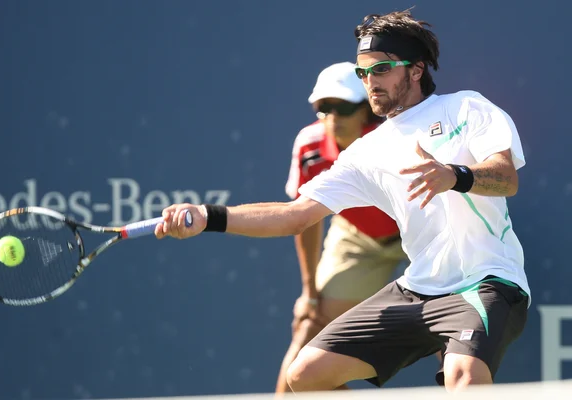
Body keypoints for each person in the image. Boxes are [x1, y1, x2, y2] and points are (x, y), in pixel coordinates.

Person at [154, 9, 530, 393]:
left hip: (485, 281)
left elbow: (506, 177)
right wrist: (208, 215)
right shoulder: (366, 152)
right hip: (419, 288)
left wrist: (456, 176)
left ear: (416, 70)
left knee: (463, 378)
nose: (370, 82)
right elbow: (294, 215)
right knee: (305, 375)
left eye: (381, 69)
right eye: (362, 73)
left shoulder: (466, 108)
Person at [276, 61, 406, 394]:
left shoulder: (396, 138)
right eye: (324, 108)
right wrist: (310, 292)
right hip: (357, 239)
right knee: (308, 329)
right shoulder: (309, 147)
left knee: (451, 337)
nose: (333, 117)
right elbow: (304, 219)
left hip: (421, 236)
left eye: (344, 107)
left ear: (366, 109)